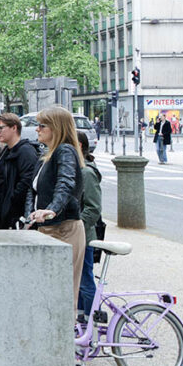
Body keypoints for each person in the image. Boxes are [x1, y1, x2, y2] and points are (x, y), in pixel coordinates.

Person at [25, 106, 85, 313]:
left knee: (63, 294)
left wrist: (51, 210)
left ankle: (65, 342)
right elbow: (32, 191)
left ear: (56, 128)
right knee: (46, 292)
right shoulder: (46, 155)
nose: (37, 130)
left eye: (42, 125)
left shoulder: (65, 150)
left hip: (63, 228)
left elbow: (65, 184)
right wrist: (28, 217)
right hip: (47, 228)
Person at [0, 113, 39, 230]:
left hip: (15, 214)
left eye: (1, 128)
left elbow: (27, 183)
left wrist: (11, 202)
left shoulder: (25, 151)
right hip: (2, 210)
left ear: (14, 128)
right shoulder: (6, 150)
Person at [77, 131, 102, 318]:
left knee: (85, 279)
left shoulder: (86, 172)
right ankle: (81, 318)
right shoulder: (78, 169)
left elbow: (93, 208)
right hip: (77, 234)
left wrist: (78, 228)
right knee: (78, 279)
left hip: (83, 236)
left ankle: (90, 319)